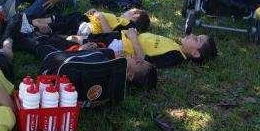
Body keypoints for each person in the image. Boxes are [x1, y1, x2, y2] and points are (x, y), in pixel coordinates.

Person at [18, 32, 157, 89]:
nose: (137, 57)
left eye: (139, 62)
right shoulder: (115, 83)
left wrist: (83, 49)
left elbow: (78, 60)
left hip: (58, 62)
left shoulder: (109, 61)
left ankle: (16, 36)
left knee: (42, 46)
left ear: (129, 75)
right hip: (69, 56)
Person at [76, 29, 218, 68]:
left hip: (119, 46)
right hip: (123, 38)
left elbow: (146, 60)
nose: (192, 35)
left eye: (197, 39)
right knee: (80, 34)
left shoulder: (176, 57)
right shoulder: (177, 46)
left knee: (80, 42)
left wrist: (133, 39)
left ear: (195, 53)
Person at [32, 8, 150, 36]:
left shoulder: (127, 25)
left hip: (89, 28)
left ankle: (41, 27)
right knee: (75, 16)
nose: (127, 11)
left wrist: (101, 17)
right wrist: (95, 13)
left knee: (68, 24)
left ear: (135, 15)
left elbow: (109, 34)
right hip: (89, 21)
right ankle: (41, 21)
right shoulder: (121, 20)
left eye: (130, 10)